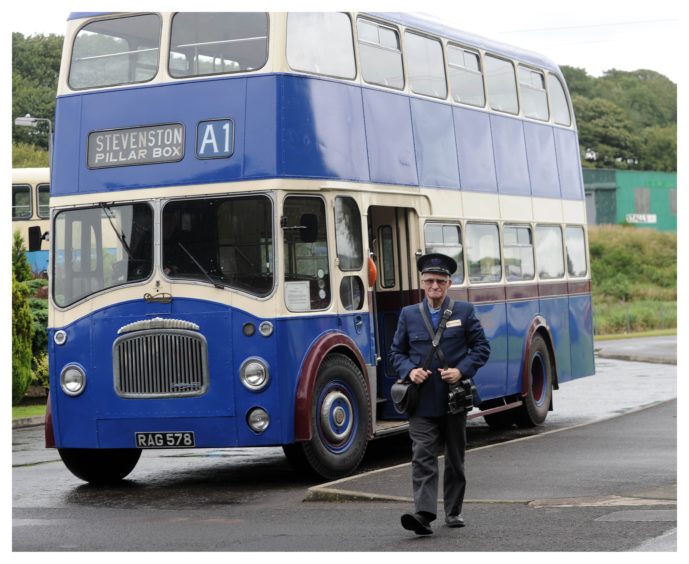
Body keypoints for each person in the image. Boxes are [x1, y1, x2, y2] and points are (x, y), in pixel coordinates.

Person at [390, 252, 490, 535]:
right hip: (420, 401)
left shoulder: (464, 312)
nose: (435, 286)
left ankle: (454, 511)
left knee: (455, 459)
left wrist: (461, 371)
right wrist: (410, 370)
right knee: (422, 455)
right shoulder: (409, 315)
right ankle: (423, 514)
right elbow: (396, 352)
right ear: (422, 283)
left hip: (454, 399)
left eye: (440, 281)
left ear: (449, 283)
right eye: (430, 281)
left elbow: (482, 348)